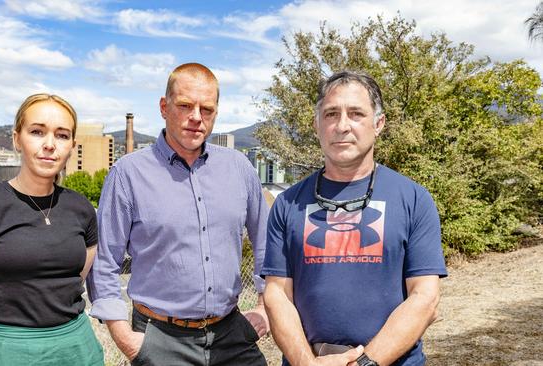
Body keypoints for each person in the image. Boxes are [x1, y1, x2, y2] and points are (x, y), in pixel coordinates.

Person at [86, 62, 269, 366]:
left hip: (232, 334)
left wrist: (264, 308)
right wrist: (126, 339)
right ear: (164, 106)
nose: (196, 117)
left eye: (206, 109)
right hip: (159, 340)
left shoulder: (239, 169)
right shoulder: (127, 174)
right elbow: (105, 263)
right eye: (185, 105)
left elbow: (266, 245)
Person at [262, 71, 448, 366]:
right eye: (331, 114)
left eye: (356, 114)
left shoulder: (414, 199)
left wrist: (366, 363)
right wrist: (306, 363)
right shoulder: (287, 203)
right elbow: (276, 295)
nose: (342, 126)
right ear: (317, 124)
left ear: (379, 124)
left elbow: (425, 298)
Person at [0, 94, 104, 366]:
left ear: (72, 146)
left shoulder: (81, 208)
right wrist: (1, 343)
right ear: (17, 139)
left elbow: (76, 279)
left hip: (78, 347)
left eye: (61, 136)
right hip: (8, 350)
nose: (49, 144)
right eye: (37, 132)